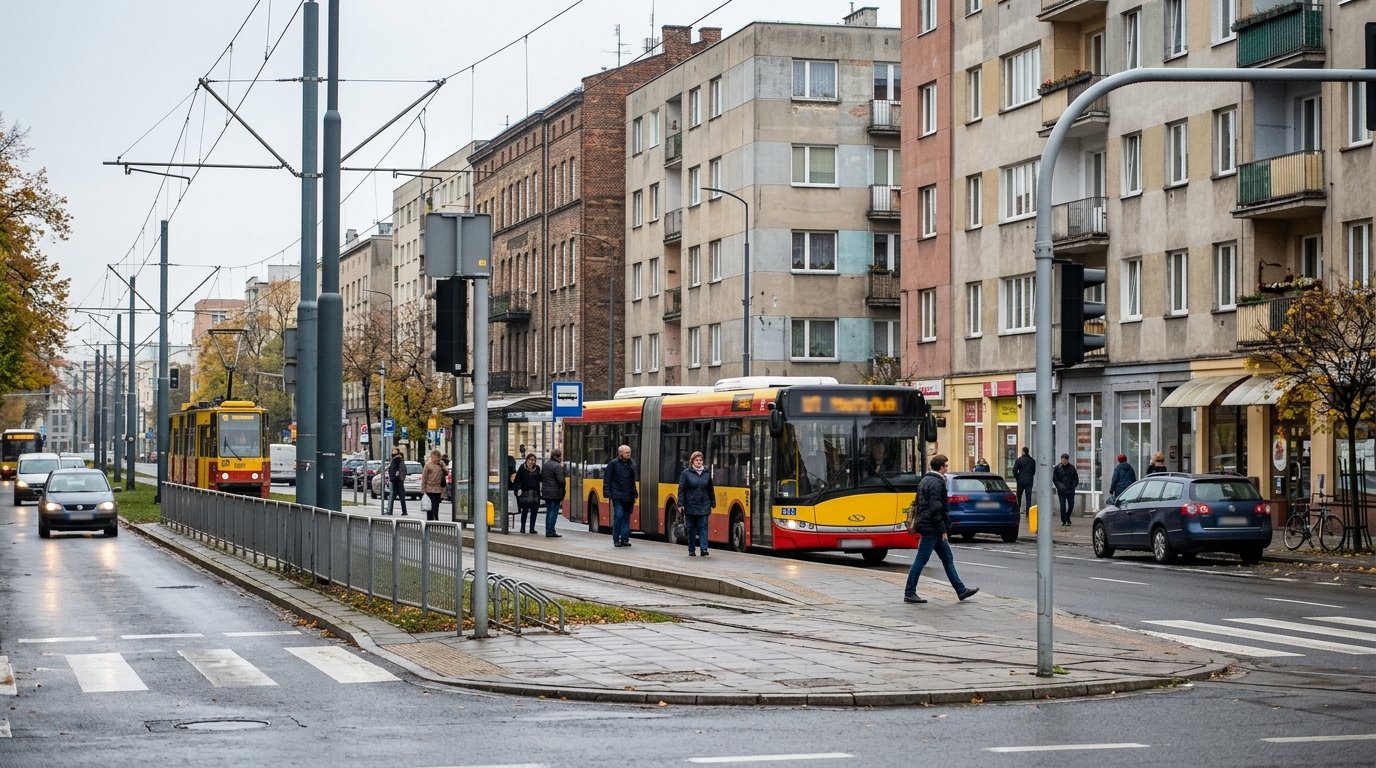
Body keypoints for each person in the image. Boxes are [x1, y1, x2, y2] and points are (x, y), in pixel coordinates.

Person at [902, 454, 978, 604]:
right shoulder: (937, 483)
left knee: (947, 559)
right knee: (921, 559)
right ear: (941, 467)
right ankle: (909, 592)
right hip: (932, 528)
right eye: (946, 466)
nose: (947, 468)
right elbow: (936, 509)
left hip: (928, 525)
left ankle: (961, 590)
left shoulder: (924, 480)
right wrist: (942, 529)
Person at [677, 450, 716, 557]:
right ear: (692, 461)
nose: (699, 462)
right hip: (690, 504)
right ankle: (691, 549)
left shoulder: (707, 473)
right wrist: (680, 504)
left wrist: (712, 501)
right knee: (691, 528)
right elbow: (681, 489)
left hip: (704, 504)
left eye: (700, 460)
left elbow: (710, 489)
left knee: (703, 526)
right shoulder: (686, 473)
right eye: (696, 460)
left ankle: (704, 549)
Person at [604, 444, 639, 548]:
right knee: (618, 516)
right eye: (626, 453)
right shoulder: (613, 464)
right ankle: (616, 539)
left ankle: (624, 539)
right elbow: (607, 479)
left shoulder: (631, 464)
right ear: (620, 453)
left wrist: (635, 493)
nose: (629, 454)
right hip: (617, 495)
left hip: (629, 496)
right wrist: (608, 493)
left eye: (629, 453)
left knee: (626, 517)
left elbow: (632, 481)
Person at [512, 453, 542, 533]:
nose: (532, 462)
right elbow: (517, 480)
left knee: (534, 512)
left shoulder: (537, 468)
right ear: (527, 460)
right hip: (525, 492)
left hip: (535, 493)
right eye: (530, 460)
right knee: (524, 511)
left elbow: (540, 479)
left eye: (534, 460)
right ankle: (522, 527)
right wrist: (517, 490)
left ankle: (532, 528)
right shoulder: (522, 468)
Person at [539, 448, 566, 537]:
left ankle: (548, 530)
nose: (561, 458)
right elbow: (561, 481)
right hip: (555, 493)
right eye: (560, 456)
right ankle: (551, 531)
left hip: (546, 492)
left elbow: (542, 478)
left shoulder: (545, 465)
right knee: (553, 511)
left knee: (549, 511)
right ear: (557, 457)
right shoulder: (557, 466)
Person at [1052, 453, 1079, 526]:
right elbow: (1055, 479)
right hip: (1061, 491)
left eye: (1065, 460)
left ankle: (1067, 517)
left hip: (1070, 490)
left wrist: (1073, 486)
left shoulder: (1072, 468)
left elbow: (1076, 479)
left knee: (1071, 505)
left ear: (1067, 460)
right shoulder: (1057, 468)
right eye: (1062, 460)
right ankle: (1064, 520)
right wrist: (1060, 486)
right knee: (1062, 505)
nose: (1063, 461)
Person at [421, 449, 445, 522]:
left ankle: (435, 518)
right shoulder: (428, 465)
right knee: (430, 505)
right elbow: (424, 477)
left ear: (439, 457)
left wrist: (442, 465)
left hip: (438, 488)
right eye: (432, 457)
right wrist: (423, 489)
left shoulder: (441, 464)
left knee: (436, 505)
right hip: (429, 488)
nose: (434, 459)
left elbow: (446, 472)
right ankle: (430, 519)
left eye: (436, 457)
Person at [1012, 447, 1036, 515]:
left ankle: (1018, 510)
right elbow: (1034, 471)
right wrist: (1030, 476)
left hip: (1020, 480)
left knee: (1019, 495)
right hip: (1029, 480)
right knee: (1028, 497)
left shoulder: (1019, 460)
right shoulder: (1032, 460)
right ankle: (1028, 512)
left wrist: (1017, 477)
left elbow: (1014, 470)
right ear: (1028, 452)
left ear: (1022, 452)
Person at [386, 448, 409, 516]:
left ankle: (391, 511)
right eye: (393, 451)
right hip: (395, 480)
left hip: (397, 481)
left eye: (395, 451)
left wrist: (400, 478)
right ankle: (400, 511)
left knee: (395, 496)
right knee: (397, 497)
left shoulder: (398, 460)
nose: (394, 453)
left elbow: (402, 470)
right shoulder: (394, 460)